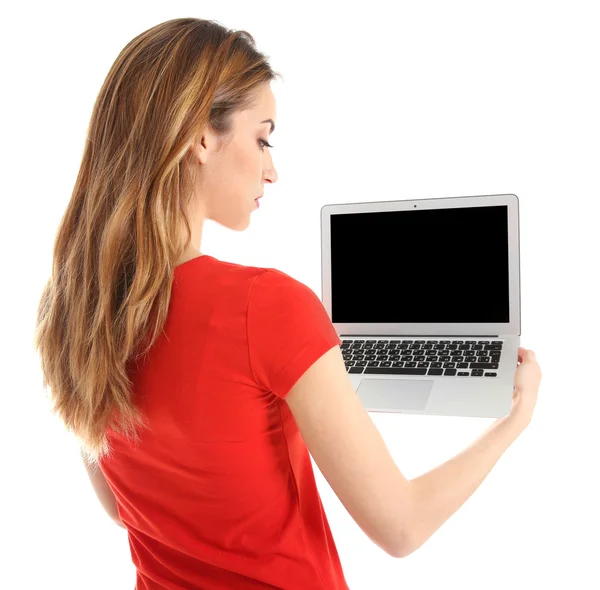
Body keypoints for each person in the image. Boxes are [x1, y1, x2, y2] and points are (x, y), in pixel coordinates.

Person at [32, 17, 543, 590]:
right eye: (263, 137)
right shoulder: (266, 306)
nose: (272, 169)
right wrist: (512, 420)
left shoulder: (76, 309)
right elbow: (402, 527)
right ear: (202, 137)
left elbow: (119, 507)